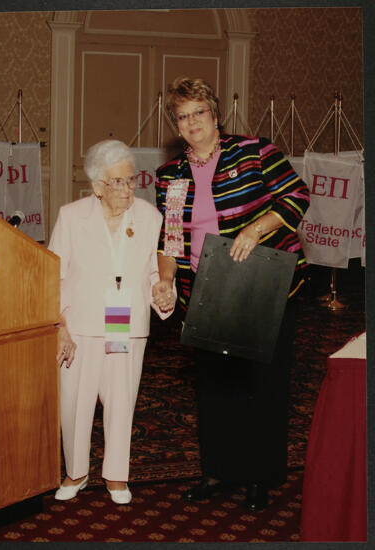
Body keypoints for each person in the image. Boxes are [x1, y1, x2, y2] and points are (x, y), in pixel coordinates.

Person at [154, 77, 310, 511]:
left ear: (215, 115)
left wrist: (255, 230)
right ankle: (218, 470)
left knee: (261, 383)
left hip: (264, 287)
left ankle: (258, 475)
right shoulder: (171, 175)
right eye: (183, 117)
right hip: (204, 292)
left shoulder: (255, 152)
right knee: (214, 386)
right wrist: (165, 280)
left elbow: (297, 196)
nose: (192, 123)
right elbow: (169, 238)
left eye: (198, 113)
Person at [48, 139, 175, 504]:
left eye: (130, 179)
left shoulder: (150, 217)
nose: (126, 188)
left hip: (124, 320)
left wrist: (162, 291)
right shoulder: (71, 216)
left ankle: (117, 476)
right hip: (80, 323)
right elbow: (53, 275)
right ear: (97, 187)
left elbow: (156, 272)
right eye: (116, 181)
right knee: (74, 401)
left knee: (122, 399)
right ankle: (76, 471)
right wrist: (60, 327)